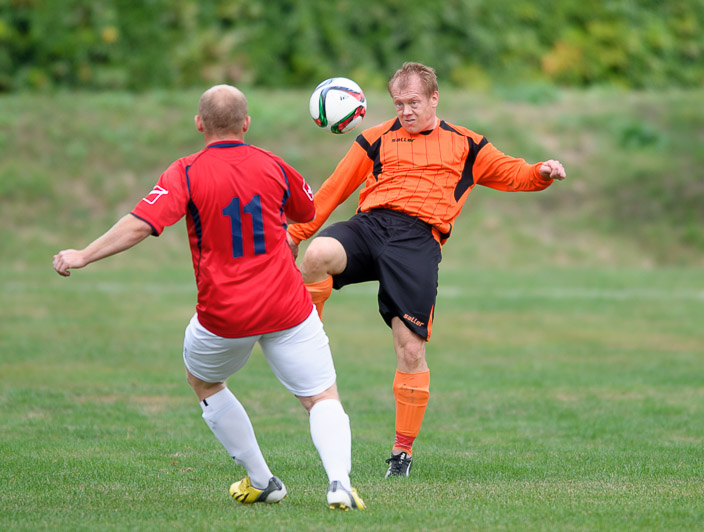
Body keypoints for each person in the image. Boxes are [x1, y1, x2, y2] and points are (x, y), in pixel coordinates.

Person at [53, 85, 365, 510]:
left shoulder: (185, 171)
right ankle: (340, 483)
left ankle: (262, 480)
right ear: (246, 123)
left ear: (199, 124)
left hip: (225, 314)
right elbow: (306, 211)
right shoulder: (274, 164)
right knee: (321, 397)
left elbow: (141, 223)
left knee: (204, 381)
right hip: (287, 305)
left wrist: (84, 254)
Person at [287, 62, 567, 478]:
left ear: (434, 98)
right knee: (317, 255)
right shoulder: (375, 138)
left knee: (411, 350)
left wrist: (540, 172)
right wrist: (295, 234)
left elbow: (513, 172)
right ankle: (308, 343)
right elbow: (334, 188)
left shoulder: (466, 144)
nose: (406, 111)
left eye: (414, 103)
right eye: (399, 104)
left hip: (417, 240)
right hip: (371, 225)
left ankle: (401, 452)